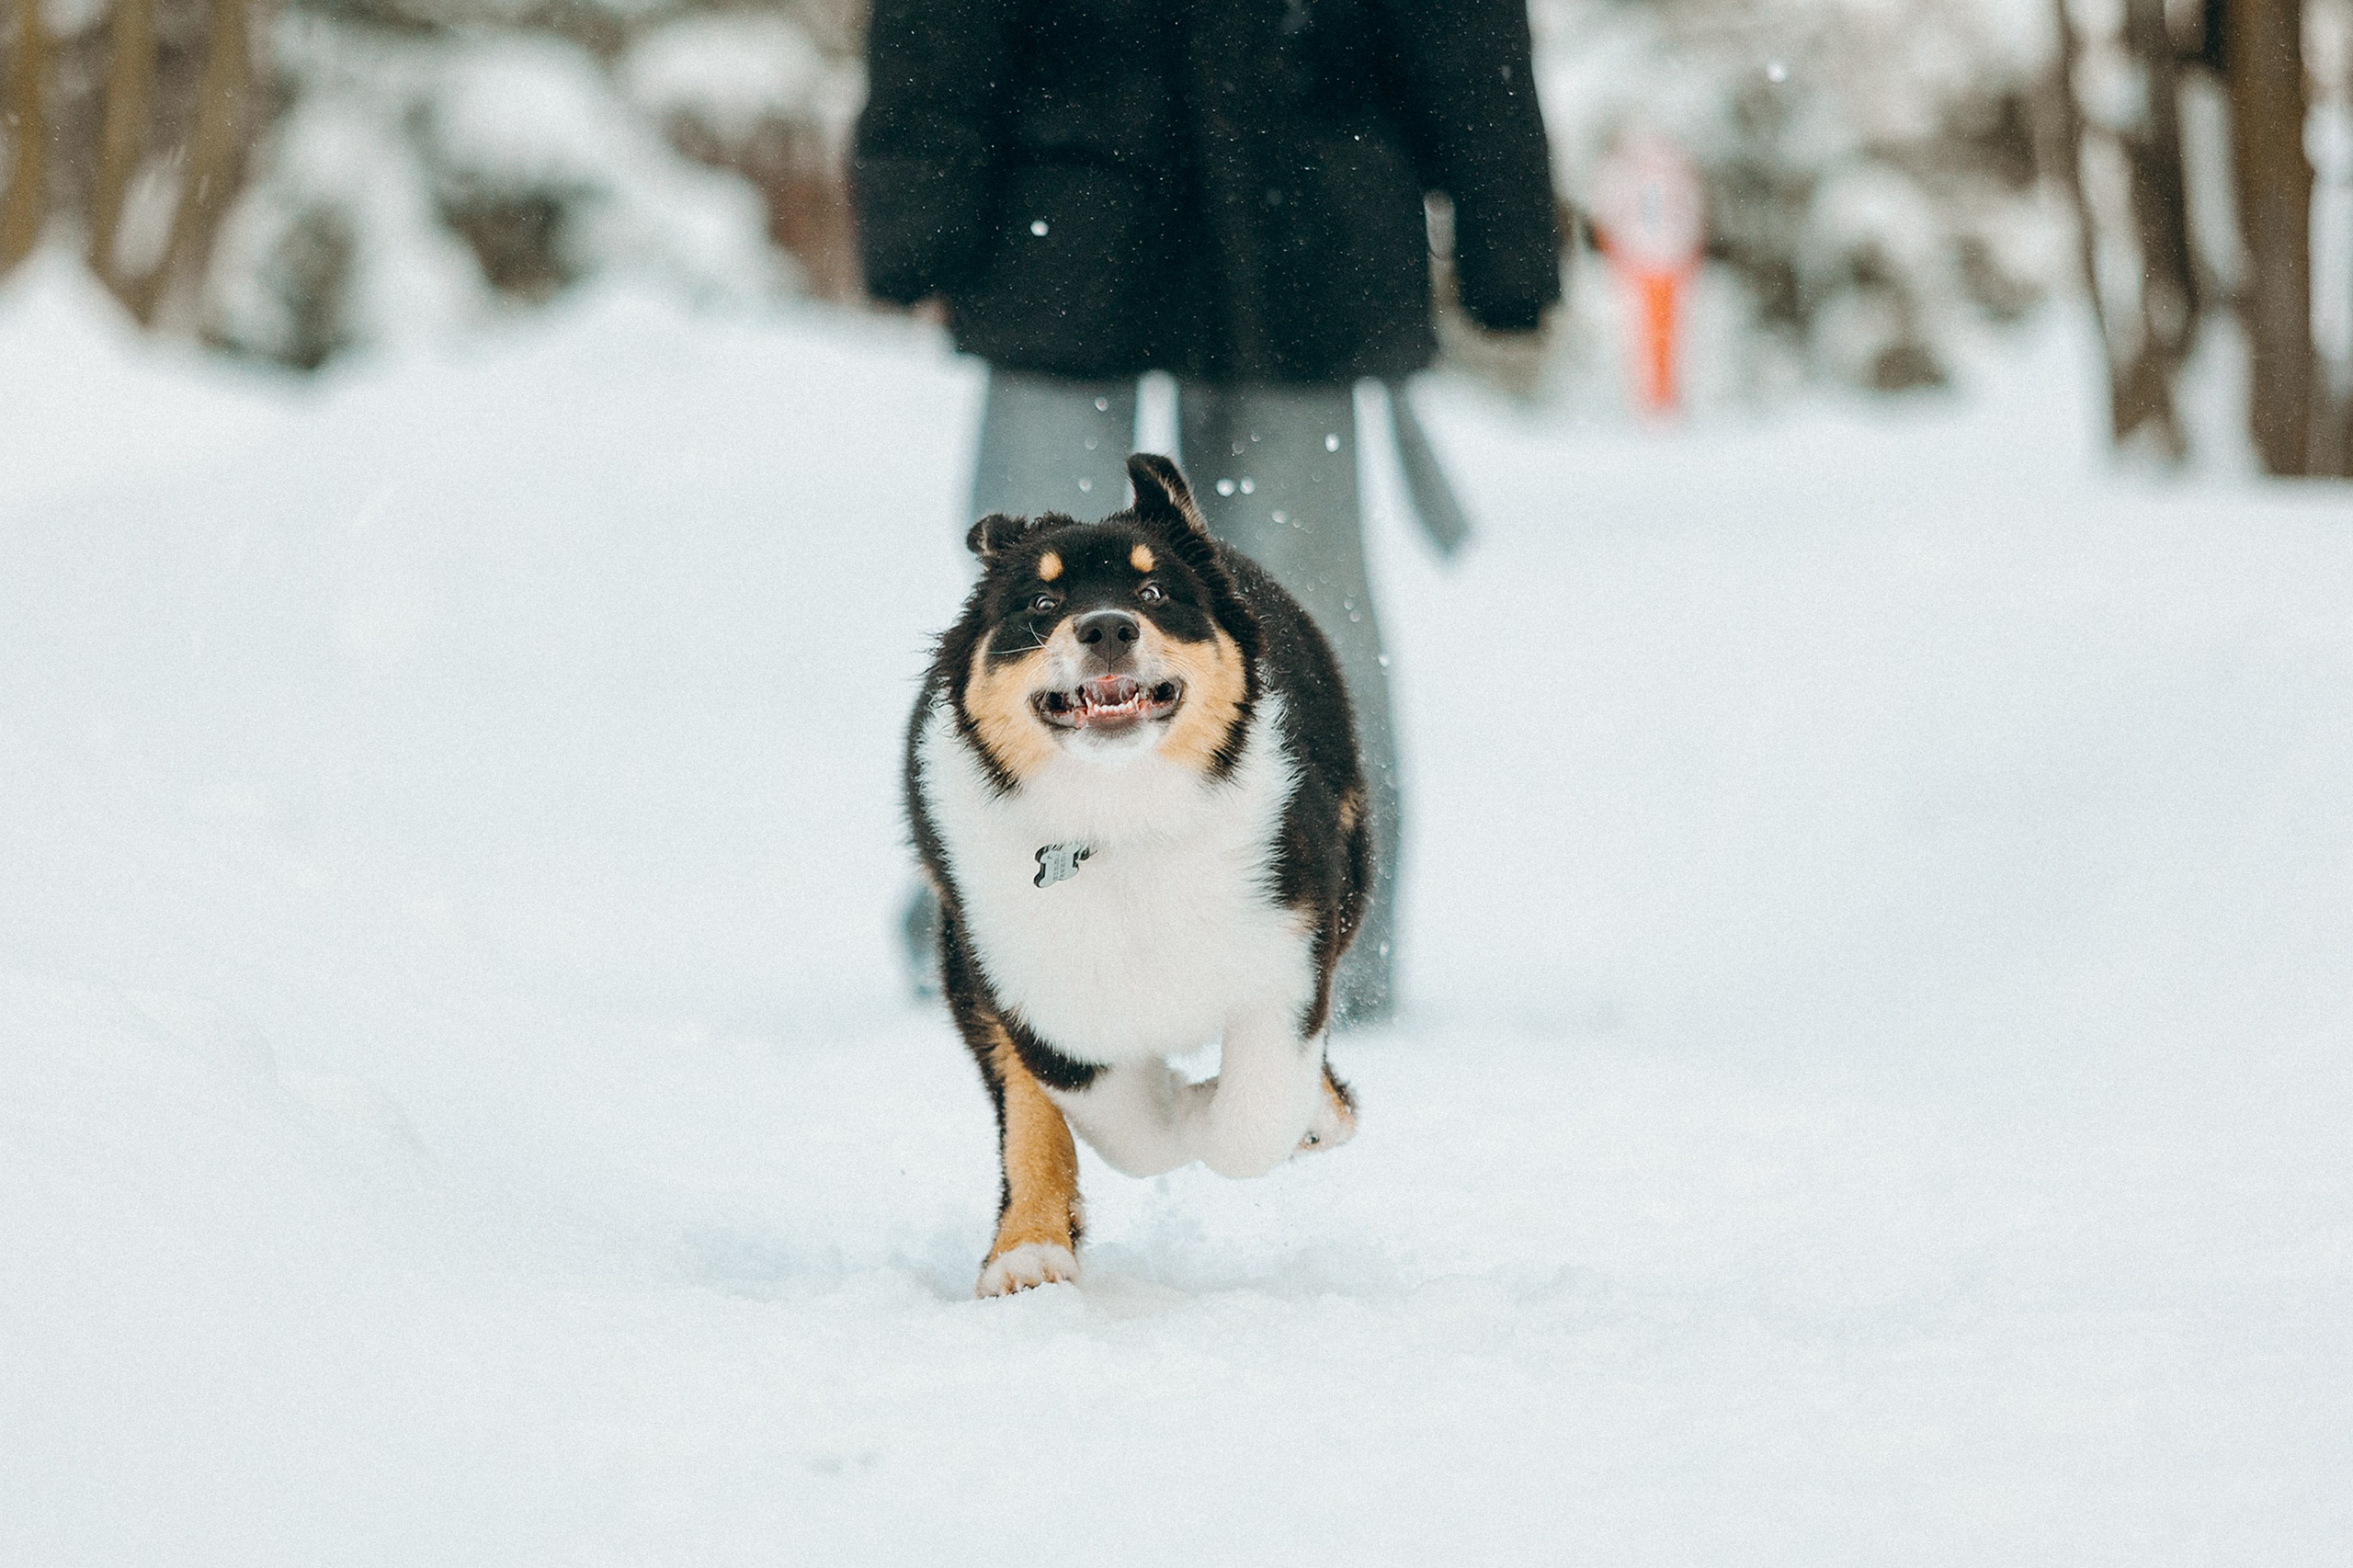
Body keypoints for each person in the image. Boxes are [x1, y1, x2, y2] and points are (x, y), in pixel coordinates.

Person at [856, 0, 1561, 1026]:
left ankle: (1318, 936)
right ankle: (1028, 922)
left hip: (1246, 209)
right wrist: (921, 208)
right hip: (1160, 206)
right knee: (1061, 613)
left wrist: (1506, 224)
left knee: (1262, 615)